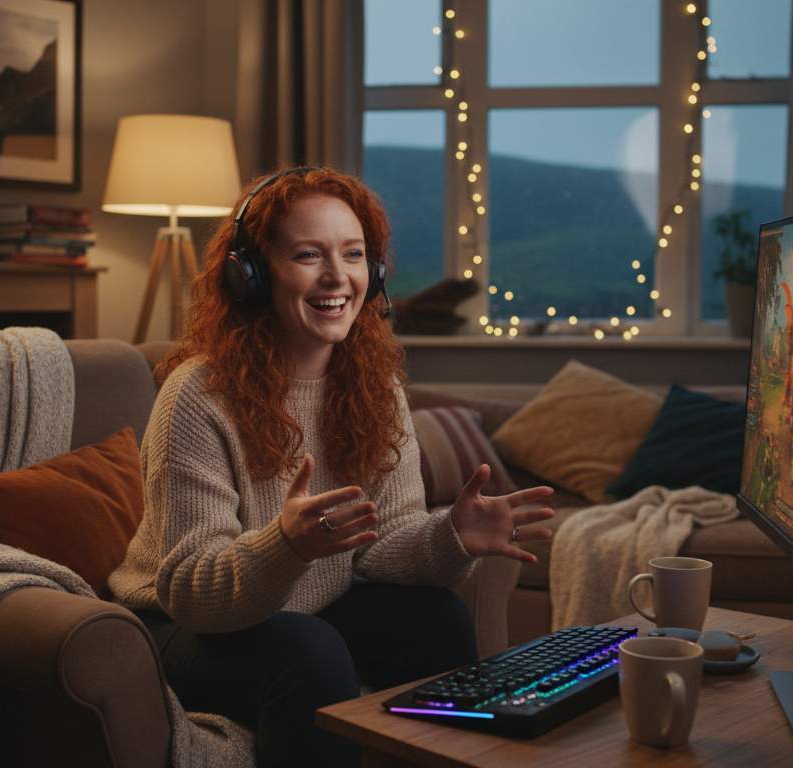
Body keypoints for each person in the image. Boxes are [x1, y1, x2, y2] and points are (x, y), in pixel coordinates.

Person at [109, 167, 555, 767]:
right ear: (252, 274)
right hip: (177, 626)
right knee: (306, 648)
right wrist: (285, 545)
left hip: (306, 611)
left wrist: (452, 535)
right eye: (307, 255)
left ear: (375, 276)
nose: (337, 277)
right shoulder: (197, 396)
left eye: (353, 255)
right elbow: (191, 591)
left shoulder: (374, 386)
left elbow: (384, 543)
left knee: (437, 617)